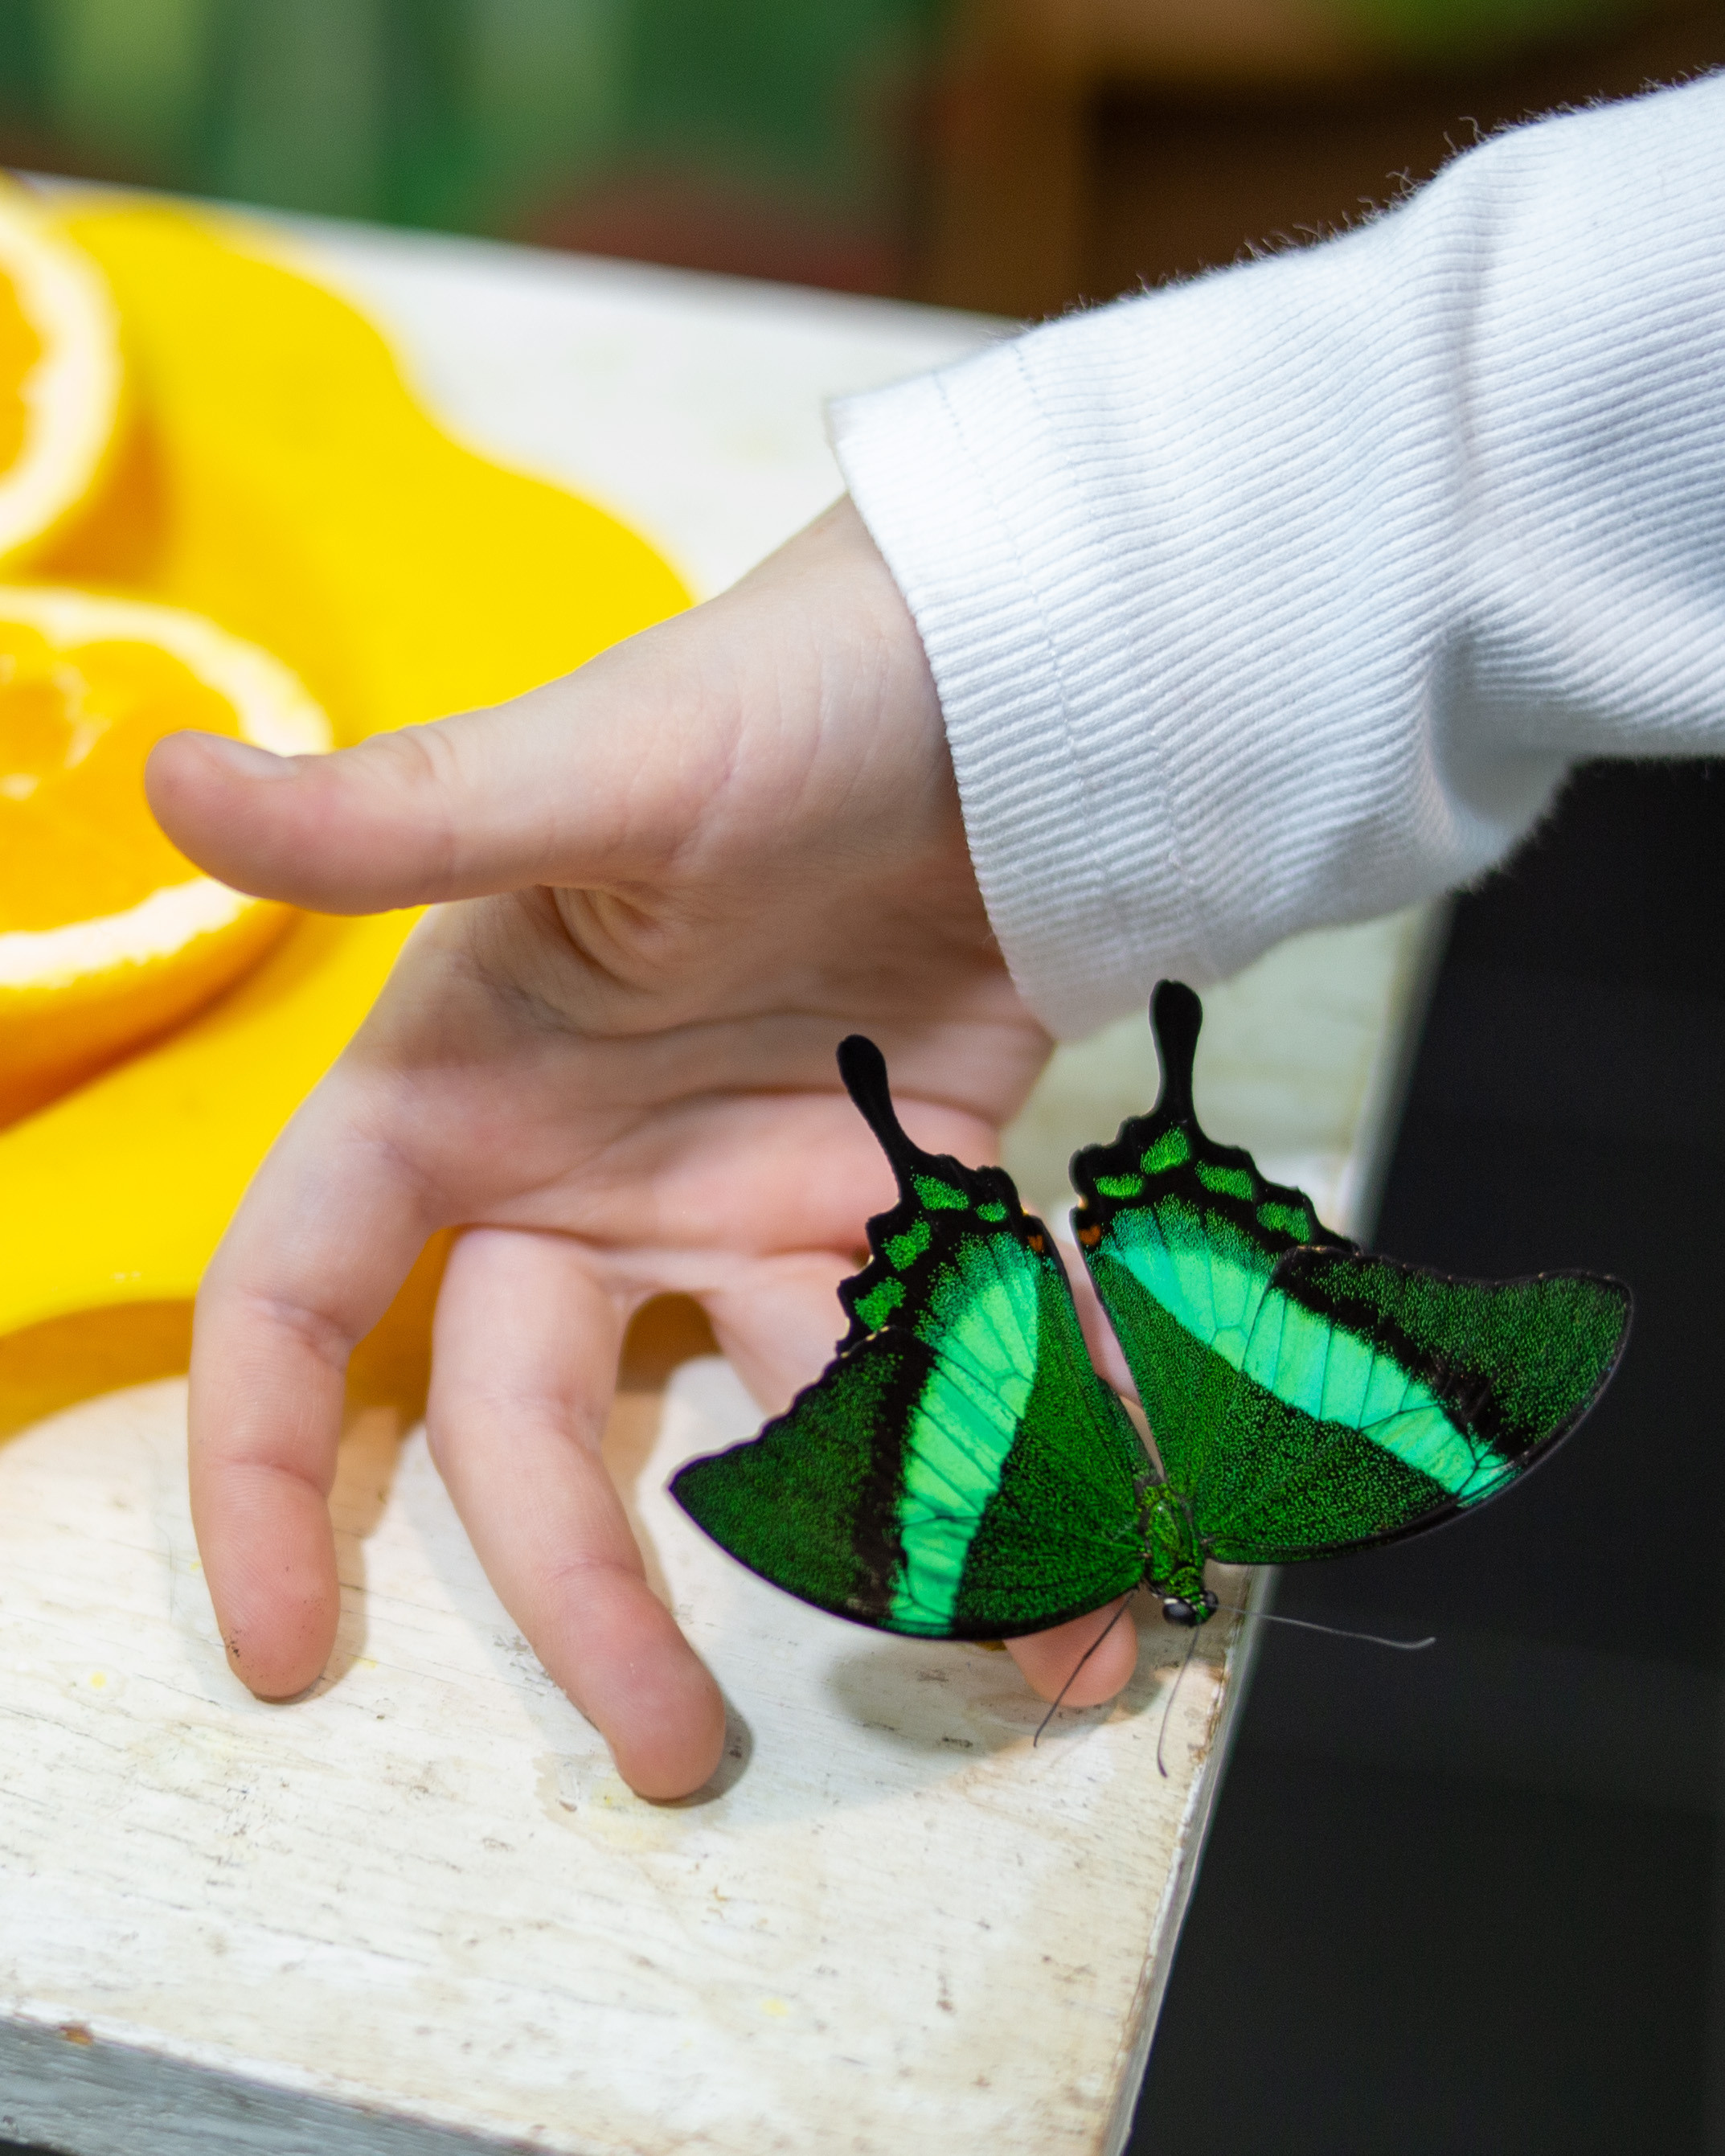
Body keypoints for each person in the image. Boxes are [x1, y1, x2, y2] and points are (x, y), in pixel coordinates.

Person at [145, 71, 1725, 1801]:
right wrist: (981, 675)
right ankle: (1131, 1251)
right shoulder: (1263, 1488)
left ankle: (1117, 1246)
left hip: (1109, 1332)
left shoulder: (1177, 1510)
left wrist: (1020, 648)